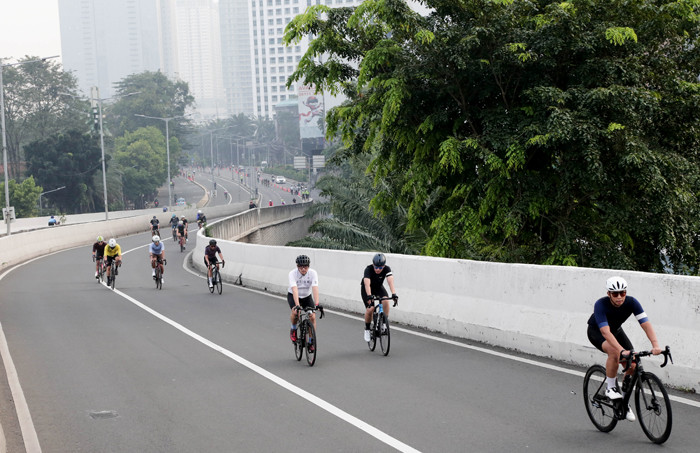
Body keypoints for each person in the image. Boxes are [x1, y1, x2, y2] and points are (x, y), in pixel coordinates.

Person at [587, 276, 662, 422]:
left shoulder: (632, 302)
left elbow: (645, 324)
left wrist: (655, 345)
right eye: (615, 294)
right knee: (615, 353)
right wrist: (621, 350)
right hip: (597, 332)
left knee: (633, 365)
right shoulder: (600, 304)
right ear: (609, 294)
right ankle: (610, 387)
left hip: (616, 331)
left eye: (622, 293)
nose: (619, 297)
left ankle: (623, 403)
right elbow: (605, 332)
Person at [361, 253, 398, 342]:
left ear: (384, 266)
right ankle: (367, 329)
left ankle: (384, 324)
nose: (378, 269)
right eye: (376, 267)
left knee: (385, 300)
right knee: (370, 309)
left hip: (378, 287)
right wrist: (369, 296)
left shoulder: (387, 269)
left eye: (380, 268)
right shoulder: (368, 269)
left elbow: (390, 282)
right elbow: (367, 284)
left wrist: (394, 294)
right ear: (373, 264)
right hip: (367, 289)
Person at [288, 255, 320, 352]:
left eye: (305, 266)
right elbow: (294, 289)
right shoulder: (292, 274)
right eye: (301, 267)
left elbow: (315, 288)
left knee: (312, 316)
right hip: (294, 295)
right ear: (297, 266)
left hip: (306, 296)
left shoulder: (313, 273)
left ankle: (311, 341)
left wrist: (317, 304)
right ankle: (293, 329)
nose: (303, 269)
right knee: (295, 312)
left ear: (308, 266)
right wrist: (297, 305)